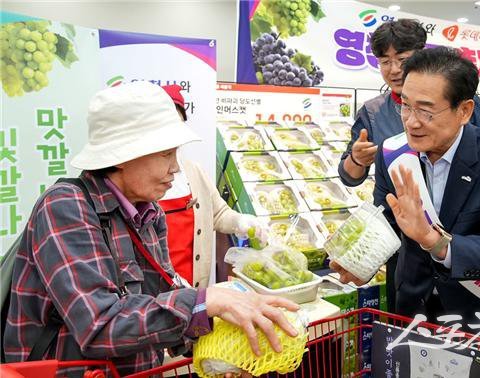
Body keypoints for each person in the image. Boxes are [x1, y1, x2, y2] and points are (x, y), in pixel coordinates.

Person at [3, 81, 299, 376]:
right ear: (122, 156)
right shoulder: (65, 208)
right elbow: (99, 326)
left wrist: (223, 345)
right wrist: (206, 301)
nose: (176, 168)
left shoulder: (148, 213)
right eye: (166, 154)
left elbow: (159, 302)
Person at [332, 47, 480, 376]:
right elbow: (387, 217)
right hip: (413, 312)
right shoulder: (393, 153)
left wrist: (435, 241)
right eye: (405, 106)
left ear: (464, 110)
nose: (411, 122)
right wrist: (357, 259)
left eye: (426, 111)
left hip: (479, 320)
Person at [337, 19, 480, 312]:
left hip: (463, 242)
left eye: (403, 60)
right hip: (407, 252)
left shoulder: (459, 100)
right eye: (385, 61)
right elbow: (351, 178)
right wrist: (357, 160)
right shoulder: (372, 112)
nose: (394, 69)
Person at [158, 84, 267, 288]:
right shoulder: (136, 183)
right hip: (153, 297)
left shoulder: (193, 172)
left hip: (194, 292)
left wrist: (240, 221)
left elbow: (217, 213)